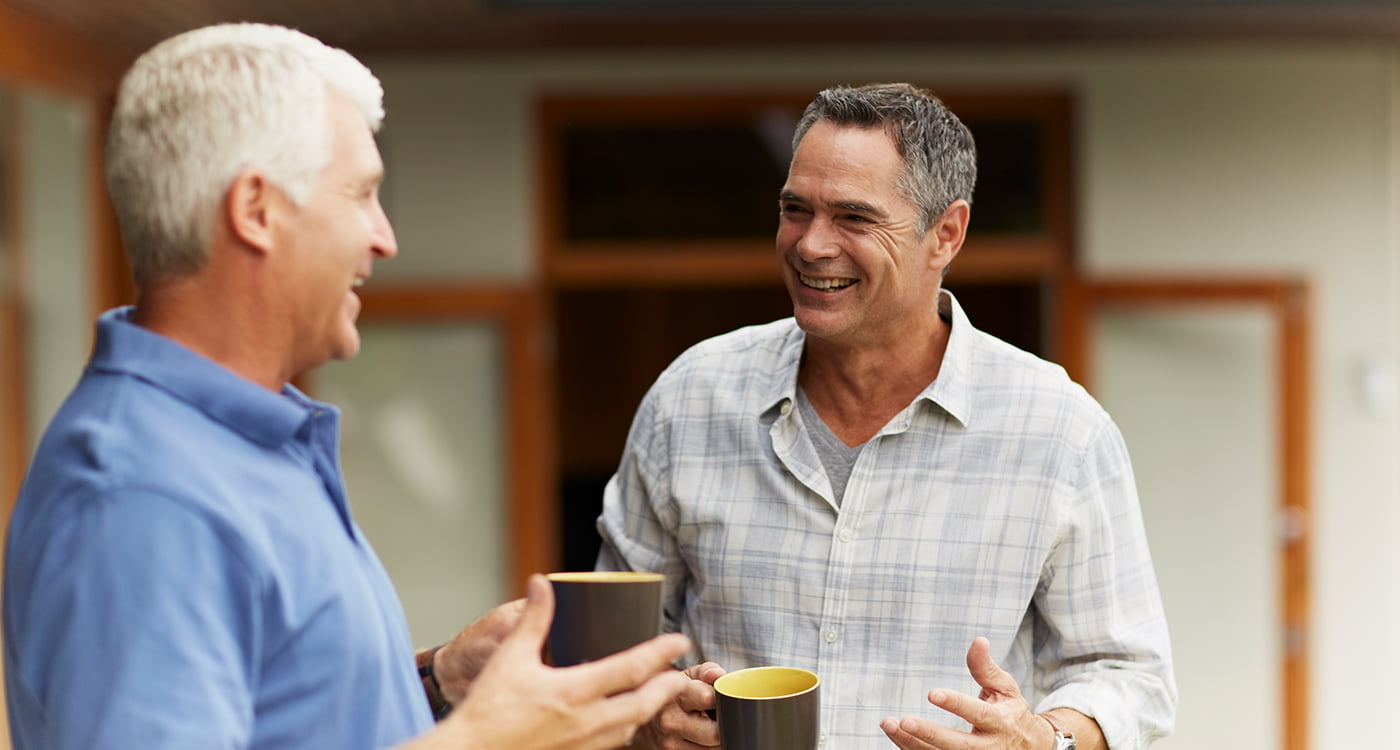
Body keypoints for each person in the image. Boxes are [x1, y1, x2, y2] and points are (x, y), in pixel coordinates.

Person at [2, 22, 689, 750]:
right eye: (361, 194)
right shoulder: (140, 497)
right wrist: (489, 741)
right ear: (256, 210)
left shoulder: (243, 441)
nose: (384, 238)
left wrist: (437, 682)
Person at [596, 83, 1177, 750]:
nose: (811, 245)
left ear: (946, 234)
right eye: (796, 209)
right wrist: (649, 714)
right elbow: (616, 646)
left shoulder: (1061, 431)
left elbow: (1130, 677)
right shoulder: (689, 400)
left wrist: (1043, 739)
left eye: (853, 217)